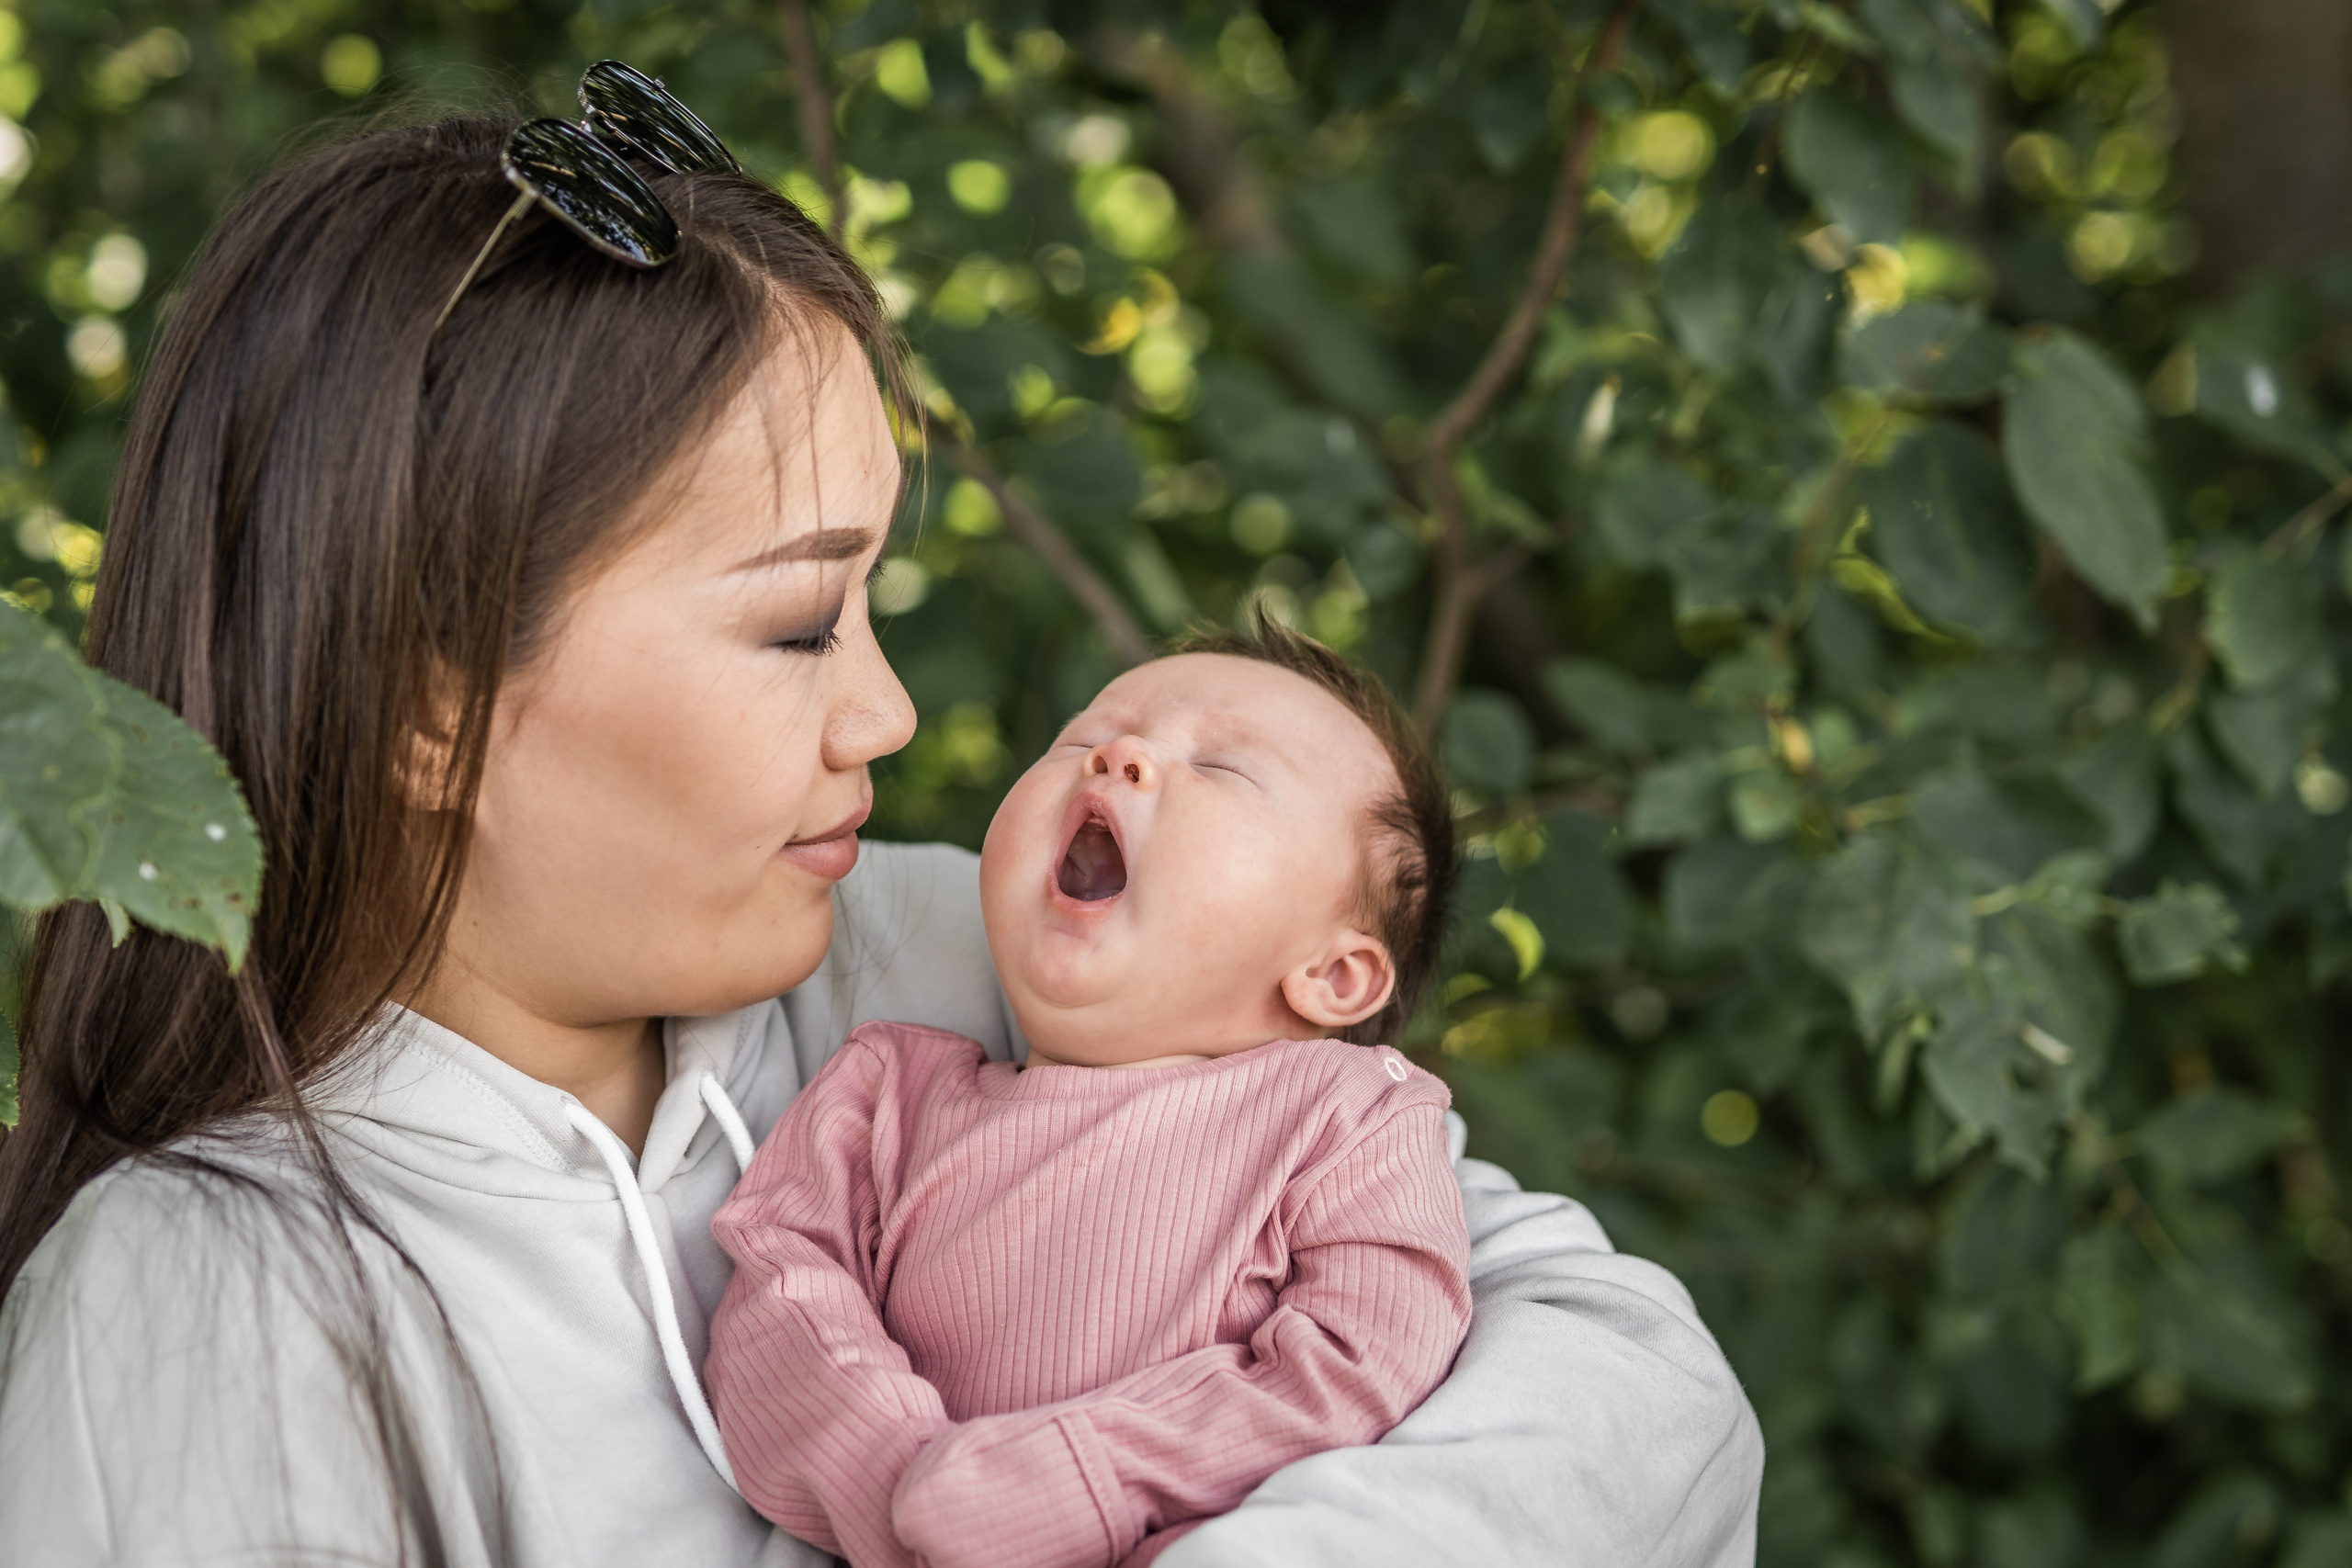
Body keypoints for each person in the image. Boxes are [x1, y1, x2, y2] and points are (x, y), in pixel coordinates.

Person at [0, 90, 1763, 1568]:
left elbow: (1637, 1389)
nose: (891, 715)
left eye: (874, 603)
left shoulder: (925, 963)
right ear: (429, 706)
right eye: (796, 626)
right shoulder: (205, 1314)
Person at [707, 626, 1474, 1568]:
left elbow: (1367, 1360)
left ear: (1333, 976)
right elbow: (778, 1316)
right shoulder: (884, 1096)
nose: (1121, 754)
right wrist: (904, 1480)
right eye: (1081, 738)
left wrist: (1094, 1474)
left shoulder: (1345, 1118)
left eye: (1224, 770)